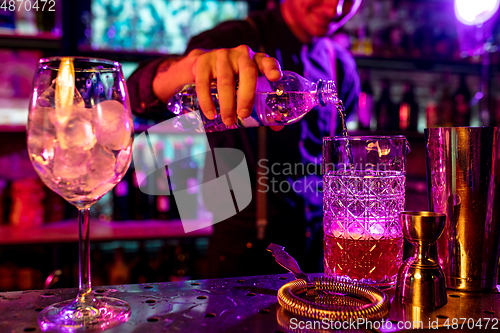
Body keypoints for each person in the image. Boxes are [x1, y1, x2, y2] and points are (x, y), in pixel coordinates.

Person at [127, 0, 362, 278]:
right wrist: (188, 69)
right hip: (244, 249)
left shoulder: (341, 67)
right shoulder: (232, 39)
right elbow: (136, 97)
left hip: (316, 251)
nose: (335, 8)